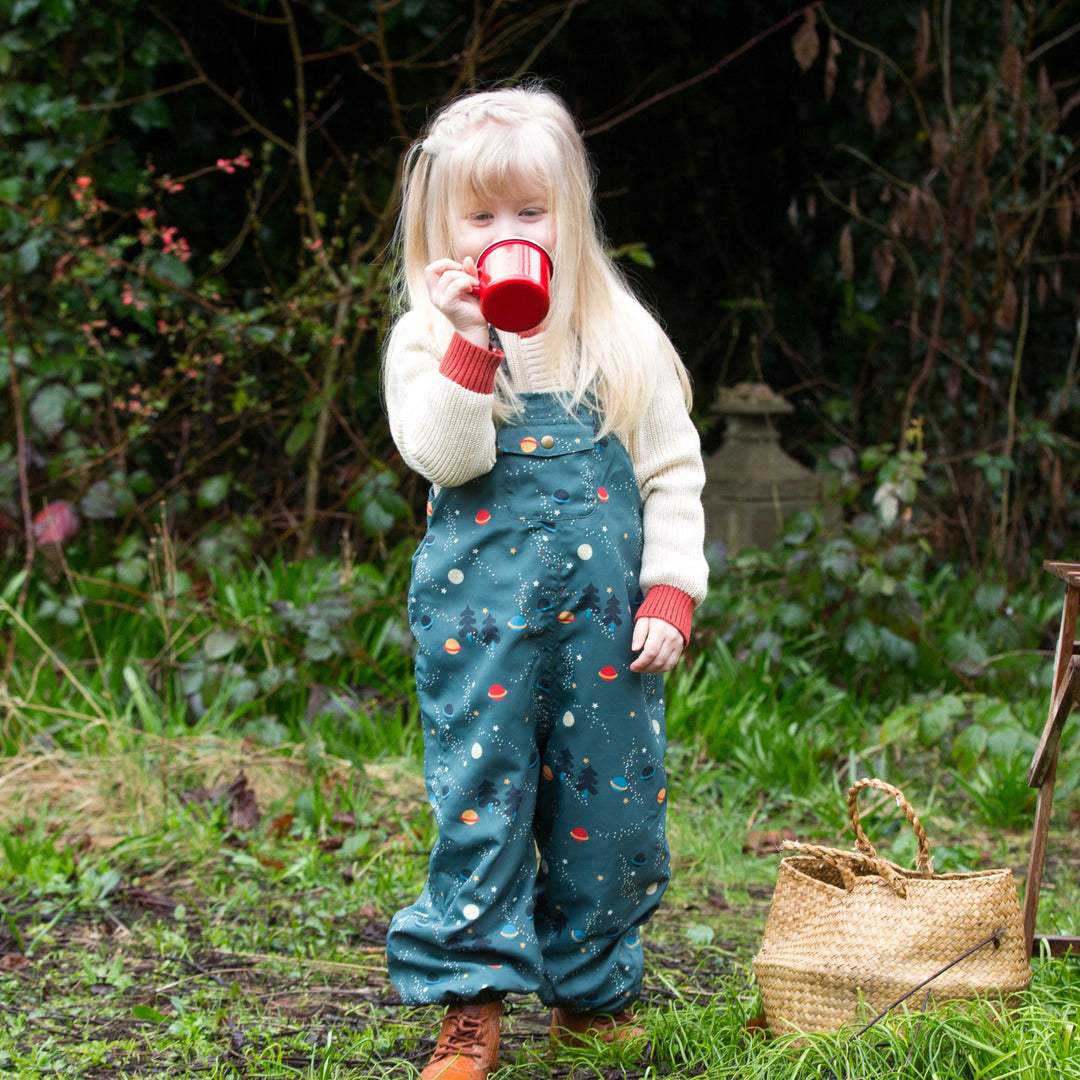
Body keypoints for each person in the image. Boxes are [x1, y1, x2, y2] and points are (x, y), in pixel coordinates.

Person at [381, 82, 708, 1080]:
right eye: (482, 217)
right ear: (443, 230)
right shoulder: (427, 343)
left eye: (532, 211)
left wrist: (671, 590)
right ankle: (469, 1002)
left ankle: (592, 992)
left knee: (611, 809)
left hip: (608, 628)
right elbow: (444, 457)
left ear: (572, 210)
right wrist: (473, 341)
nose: (508, 232)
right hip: (480, 626)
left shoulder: (621, 336)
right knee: (481, 799)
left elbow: (673, 470)